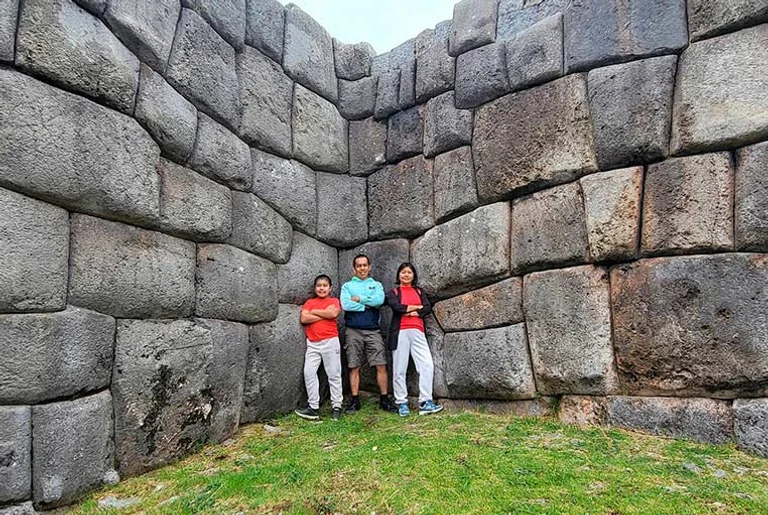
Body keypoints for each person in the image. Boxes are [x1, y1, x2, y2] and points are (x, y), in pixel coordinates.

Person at [340, 254, 398, 414]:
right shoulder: (347, 286)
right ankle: (354, 400)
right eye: (358, 265)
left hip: (373, 330)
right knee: (354, 365)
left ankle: (384, 399)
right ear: (354, 268)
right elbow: (345, 304)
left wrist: (360, 299)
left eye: (364, 265)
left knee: (381, 364)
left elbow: (379, 301)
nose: (362, 268)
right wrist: (366, 305)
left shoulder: (376, 285)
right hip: (353, 330)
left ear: (369, 267)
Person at [385, 262, 443, 417]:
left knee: (427, 364)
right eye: (403, 272)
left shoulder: (419, 291)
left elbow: (426, 307)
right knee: (399, 369)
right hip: (400, 332)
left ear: (413, 275)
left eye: (409, 272)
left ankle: (425, 401)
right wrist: (415, 308)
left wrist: (411, 311)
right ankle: (401, 402)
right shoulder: (394, 292)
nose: (406, 274)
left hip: (417, 331)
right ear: (398, 275)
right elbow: (397, 307)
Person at [295, 274, 344, 421]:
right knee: (309, 372)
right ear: (315, 288)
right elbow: (304, 318)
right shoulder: (309, 302)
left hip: (330, 341)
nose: (321, 288)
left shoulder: (334, 301)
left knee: (334, 373)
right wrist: (325, 314)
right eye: (319, 286)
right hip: (313, 343)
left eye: (324, 285)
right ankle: (313, 407)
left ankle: (337, 405)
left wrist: (314, 312)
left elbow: (333, 313)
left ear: (330, 288)